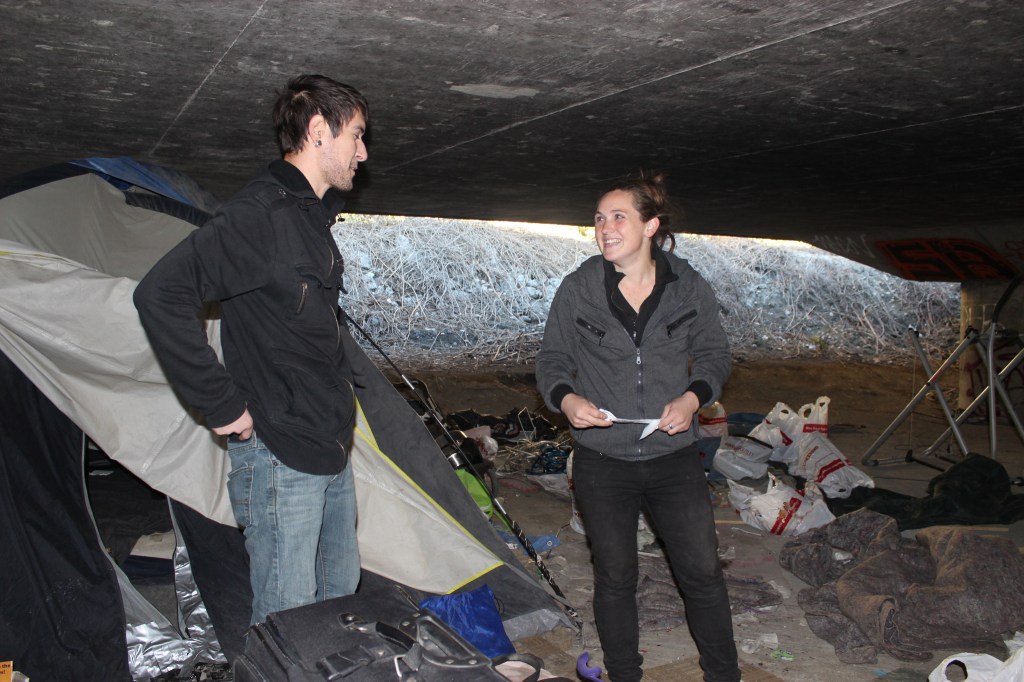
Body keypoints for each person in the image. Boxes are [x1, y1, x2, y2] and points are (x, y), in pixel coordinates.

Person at [133, 74, 369, 624]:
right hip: (281, 453)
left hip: (329, 444)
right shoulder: (257, 217)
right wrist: (221, 405)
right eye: (356, 135)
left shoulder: (310, 218)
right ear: (318, 132)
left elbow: (310, 328)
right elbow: (160, 296)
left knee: (339, 598)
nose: (363, 151)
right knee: (287, 620)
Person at [535, 174, 741, 682]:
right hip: (604, 461)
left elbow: (716, 354)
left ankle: (725, 676)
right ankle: (625, 675)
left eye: (618, 217)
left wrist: (693, 399)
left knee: (702, 575)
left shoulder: (687, 285)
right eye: (599, 219)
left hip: (674, 458)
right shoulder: (580, 288)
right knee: (615, 578)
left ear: (650, 225)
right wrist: (568, 399)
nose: (605, 228)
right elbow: (552, 359)